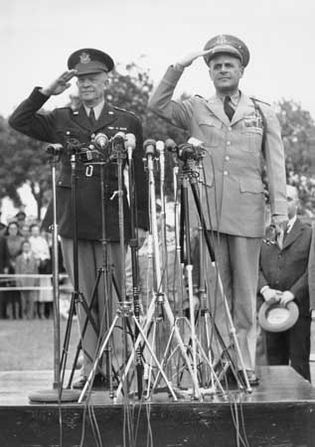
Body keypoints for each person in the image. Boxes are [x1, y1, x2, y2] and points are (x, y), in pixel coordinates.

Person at [148, 35, 287, 386]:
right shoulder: (195, 108)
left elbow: (275, 163)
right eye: (216, 65)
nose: (223, 69)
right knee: (215, 294)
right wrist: (179, 65)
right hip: (206, 211)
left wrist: (281, 212)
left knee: (244, 291)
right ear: (209, 72)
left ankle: (244, 362)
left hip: (247, 211)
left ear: (241, 69)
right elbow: (157, 104)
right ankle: (220, 359)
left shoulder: (261, 110)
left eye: (229, 64)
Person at [9, 48, 149, 388]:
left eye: (92, 78)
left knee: (112, 296)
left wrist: (141, 221)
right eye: (80, 79)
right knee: (84, 298)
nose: (86, 84)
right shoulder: (61, 117)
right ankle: (93, 370)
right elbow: (19, 120)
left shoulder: (127, 121)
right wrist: (46, 91)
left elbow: (141, 174)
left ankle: (116, 365)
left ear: (106, 81)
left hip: (112, 216)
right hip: (72, 218)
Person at [258, 185, 313, 381]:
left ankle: (304, 409)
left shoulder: (308, 233)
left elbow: (312, 270)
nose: (283, 203)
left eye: (288, 199)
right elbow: (252, 266)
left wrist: (294, 293)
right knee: (272, 367)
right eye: (279, 199)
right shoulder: (262, 233)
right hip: (268, 310)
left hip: (298, 310)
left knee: (299, 365)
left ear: (297, 203)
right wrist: (264, 289)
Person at [15, 239, 39, 319]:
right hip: (22, 282)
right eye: (24, 246)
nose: (26, 247)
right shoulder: (18, 258)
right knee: (23, 301)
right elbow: (17, 271)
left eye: (27, 246)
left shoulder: (34, 258)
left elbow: (36, 271)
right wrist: (18, 282)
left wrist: (36, 282)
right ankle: (24, 315)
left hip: (31, 282)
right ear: (22, 247)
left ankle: (31, 315)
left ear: (30, 247)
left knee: (31, 300)